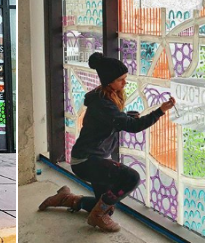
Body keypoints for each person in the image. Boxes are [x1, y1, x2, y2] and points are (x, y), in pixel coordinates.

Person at [38, 52, 175, 232]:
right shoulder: (103, 103)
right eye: (120, 80)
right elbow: (132, 127)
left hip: (93, 158)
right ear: (109, 81)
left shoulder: (105, 98)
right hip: (87, 161)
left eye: (125, 78)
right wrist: (160, 110)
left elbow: (112, 121)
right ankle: (96, 217)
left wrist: (125, 117)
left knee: (103, 204)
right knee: (131, 178)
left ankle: (66, 198)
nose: (124, 83)